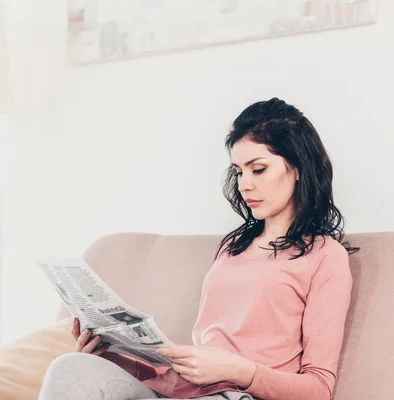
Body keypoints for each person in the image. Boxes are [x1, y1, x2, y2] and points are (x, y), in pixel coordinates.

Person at [38, 98, 359, 400]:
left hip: (236, 395)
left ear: (298, 166)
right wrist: (111, 353)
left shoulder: (324, 256)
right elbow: (190, 365)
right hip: (183, 391)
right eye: (238, 171)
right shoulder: (232, 248)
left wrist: (239, 371)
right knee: (71, 367)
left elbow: (318, 387)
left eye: (257, 169)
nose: (245, 184)